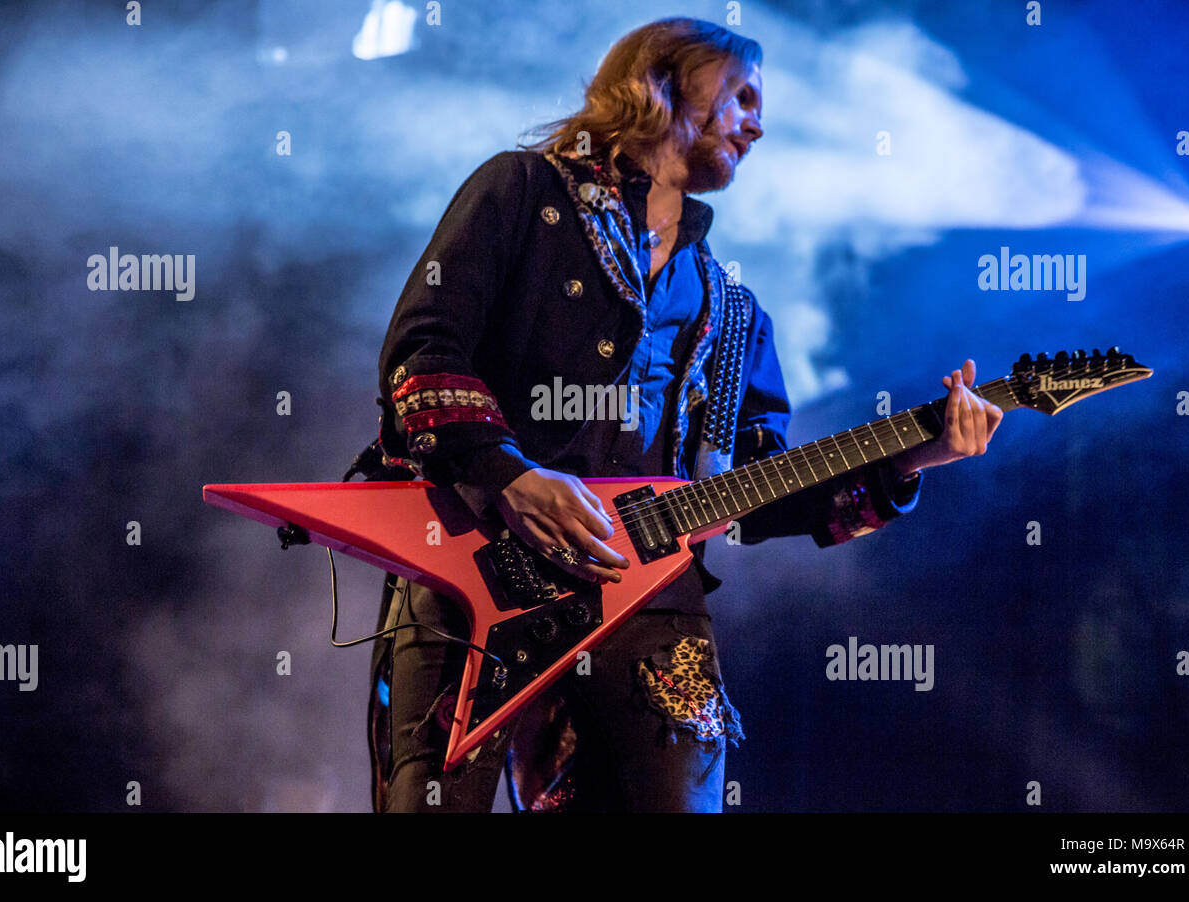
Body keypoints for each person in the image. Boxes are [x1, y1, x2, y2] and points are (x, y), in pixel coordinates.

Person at [362, 17, 1002, 812]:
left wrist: (912, 458)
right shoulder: (521, 192)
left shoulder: (732, 313)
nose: (758, 123)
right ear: (661, 81)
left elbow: (758, 491)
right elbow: (421, 353)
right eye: (741, 94)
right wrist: (509, 477)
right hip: (475, 566)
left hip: (651, 599)